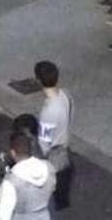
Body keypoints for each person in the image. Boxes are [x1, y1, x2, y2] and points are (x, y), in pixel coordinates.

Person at [34, 61, 73, 210]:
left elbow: (44, 141)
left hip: (54, 153)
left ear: (38, 80)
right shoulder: (65, 95)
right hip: (64, 142)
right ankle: (62, 202)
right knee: (64, 180)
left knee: (56, 182)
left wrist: (44, 156)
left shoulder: (48, 111)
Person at [0, 132, 56, 220]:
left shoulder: (11, 182)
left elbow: (2, 216)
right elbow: (52, 189)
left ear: (13, 153)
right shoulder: (49, 168)